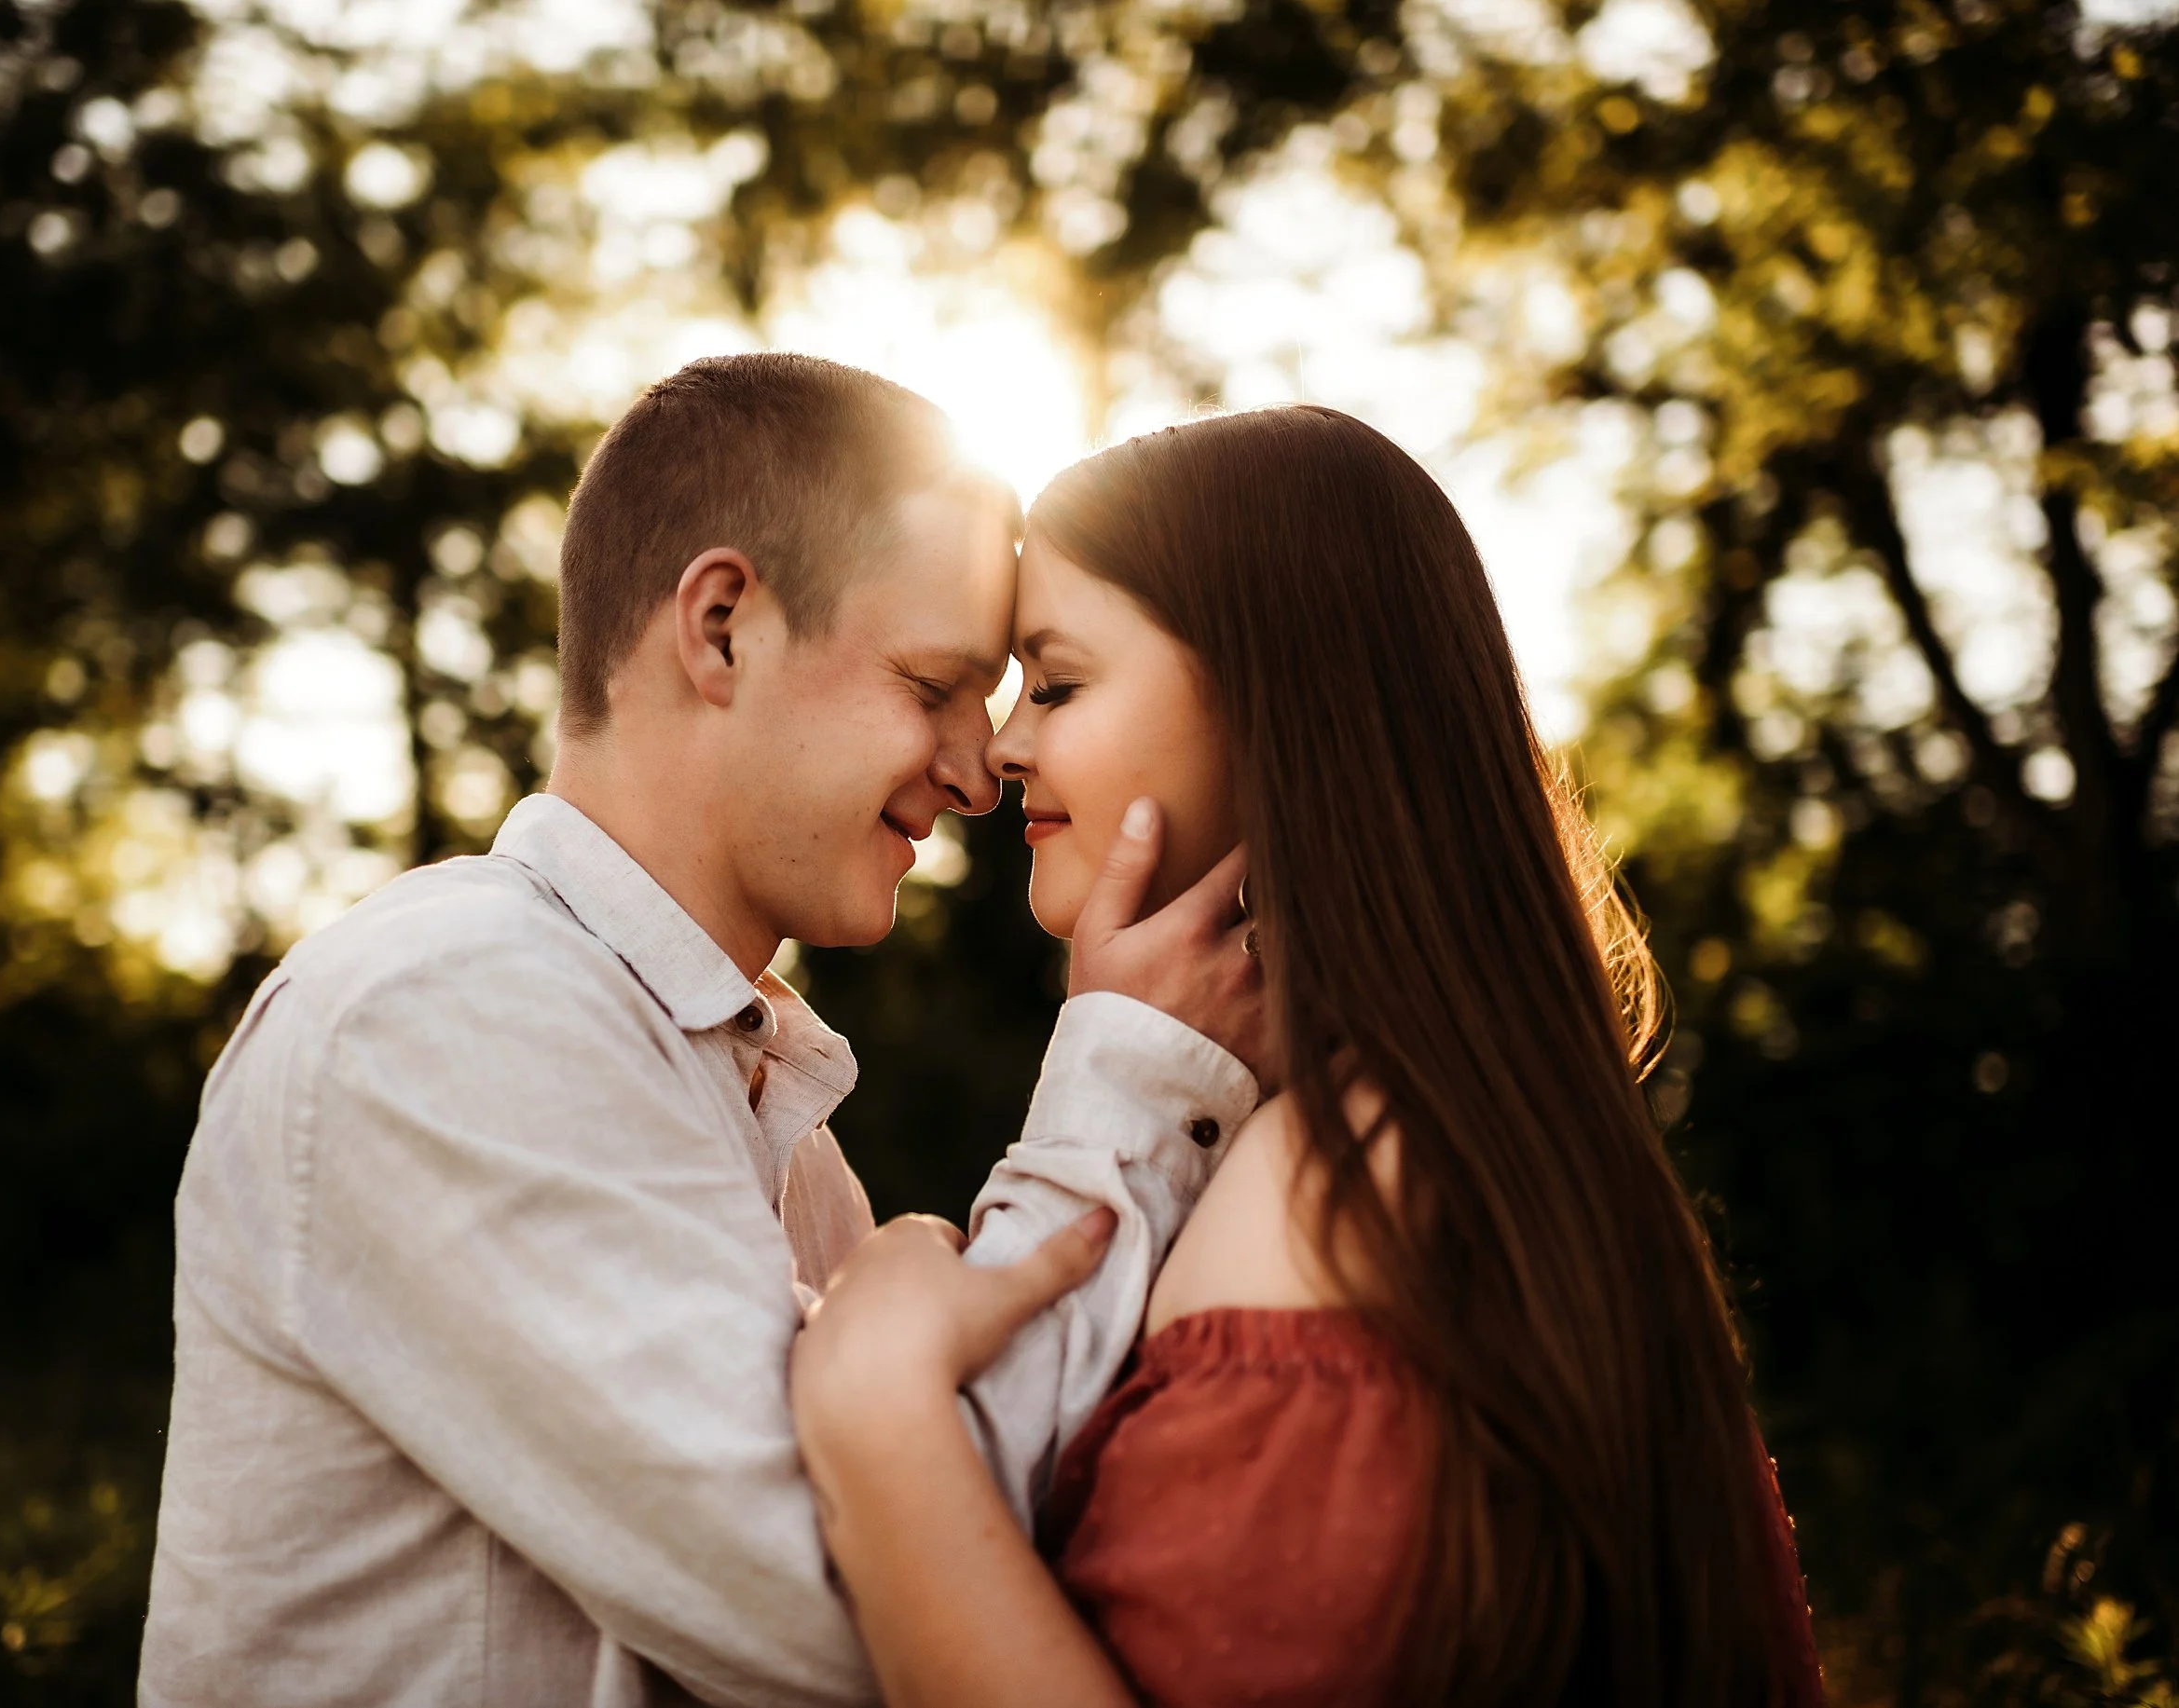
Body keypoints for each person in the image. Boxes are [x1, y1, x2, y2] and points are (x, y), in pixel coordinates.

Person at [138, 354, 1266, 1707]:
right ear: (722, 624)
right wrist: (1137, 1076)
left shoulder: (758, 1108)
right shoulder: (444, 1016)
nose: (978, 768)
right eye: (930, 687)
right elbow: (880, 1611)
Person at [791, 405, 1830, 1708]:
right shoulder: (1500, 1144)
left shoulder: (1322, 1191)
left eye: (1054, 683)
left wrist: (879, 1420)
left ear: (1276, 701)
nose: (1000, 748)